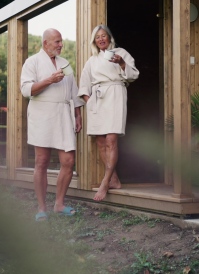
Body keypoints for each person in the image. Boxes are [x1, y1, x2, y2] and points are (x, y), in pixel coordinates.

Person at [20, 28, 85, 221]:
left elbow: (73, 91)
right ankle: (41, 208)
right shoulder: (32, 62)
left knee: (68, 161)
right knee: (41, 161)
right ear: (45, 43)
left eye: (61, 41)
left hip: (64, 114)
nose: (60, 45)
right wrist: (49, 80)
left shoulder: (65, 63)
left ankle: (59, 204)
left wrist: (78, 114)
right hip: (42, 115)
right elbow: (26, 90)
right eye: (56, 41)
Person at [78, 25, 140, 201]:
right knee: (100, 141)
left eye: (103, 36)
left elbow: (133, 75)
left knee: (111, 139)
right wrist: (88, 101)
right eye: (97, 37)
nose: (101, 39)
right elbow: (84, 82)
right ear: (94, 41)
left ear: (109, 37)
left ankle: (105, 182)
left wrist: (121, 62)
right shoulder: (92, 60)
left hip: (115, 94)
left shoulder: (121, 52)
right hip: (97, 98)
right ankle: (114, 179)